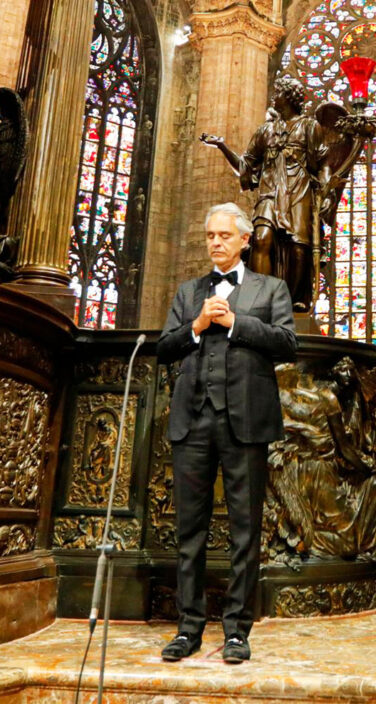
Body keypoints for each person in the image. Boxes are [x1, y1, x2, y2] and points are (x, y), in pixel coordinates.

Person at [157, 202, 297, 663]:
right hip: (192, 420)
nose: (215, 242)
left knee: (244, 529)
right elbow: (163, 349)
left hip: (246, 421)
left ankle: (237, 630)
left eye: (223, 235)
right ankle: (189, 627)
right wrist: (196, 326)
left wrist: (237, 322)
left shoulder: (271, 288)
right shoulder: (188, 291)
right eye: (209, 236)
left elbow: (287, 344)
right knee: (189, 531)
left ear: (244, 240)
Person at [200, 79, 327, 313]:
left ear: (289, 97)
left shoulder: (309, 126)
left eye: (277, 93)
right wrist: (222, 146)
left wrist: (327, 191)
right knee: (261, 238)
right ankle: (261, 299)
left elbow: (323, 162)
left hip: (299, 190)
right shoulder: (265, 130)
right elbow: (245, 166)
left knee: (299, 247)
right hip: (269, 192)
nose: (273, 97)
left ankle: (294, 299)